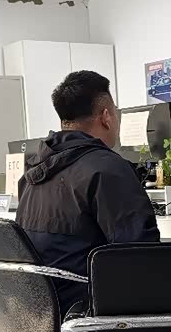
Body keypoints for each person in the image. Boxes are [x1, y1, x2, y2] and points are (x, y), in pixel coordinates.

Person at [16, 70, 159, 316]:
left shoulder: (32, 172)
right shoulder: (107, 168)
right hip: (86, 310)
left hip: (37, 315)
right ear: (106, 117)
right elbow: (140, 255)